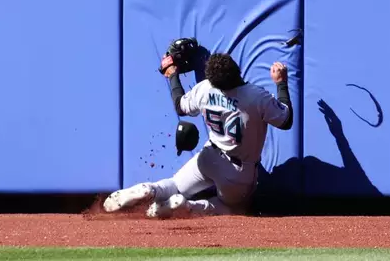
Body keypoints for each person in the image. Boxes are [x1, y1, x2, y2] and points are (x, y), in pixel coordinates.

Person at [103, 53, 293, 218]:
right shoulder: (256, 96)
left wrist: (172, 74)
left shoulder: (205, 88)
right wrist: (281, 83)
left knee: (175, 185)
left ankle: (151, 189)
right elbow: (285, 120)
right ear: (237, 70)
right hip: (237, 172)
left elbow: (180, 106)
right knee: (235, 209)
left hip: (208, 157)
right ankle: (189, 206)